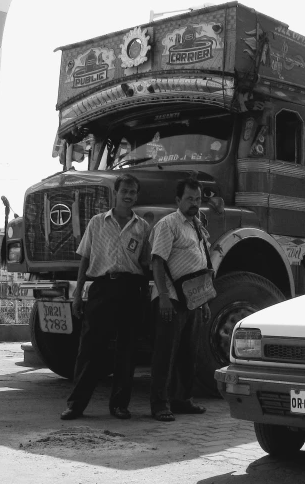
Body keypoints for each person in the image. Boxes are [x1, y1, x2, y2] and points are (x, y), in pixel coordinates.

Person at [60, 174, 151, 420]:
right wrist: (79, 293)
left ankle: (120, 405)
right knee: (90, 349)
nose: (129, 196)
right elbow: (85, 259)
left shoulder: (142, 227)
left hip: (131, 290)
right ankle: (76, 405)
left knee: (127, 350)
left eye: (133, 192)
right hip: (102, 289)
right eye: (125, 192)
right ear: (116, 193)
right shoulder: (97, 223)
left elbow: (145, 263)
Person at [149, 177, 212, 422]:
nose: (195, 203)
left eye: (198, 199)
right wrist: (163, 297)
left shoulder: (197, 226)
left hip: (194, 299)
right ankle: (159, 404)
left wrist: (204, 300)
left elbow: (201, 265)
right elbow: (157, 262)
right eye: (189, 198)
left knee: (189, 352)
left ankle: (182, 399)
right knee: (166, 353)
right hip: (172, 298)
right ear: (178, 200)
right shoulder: (168, 224)